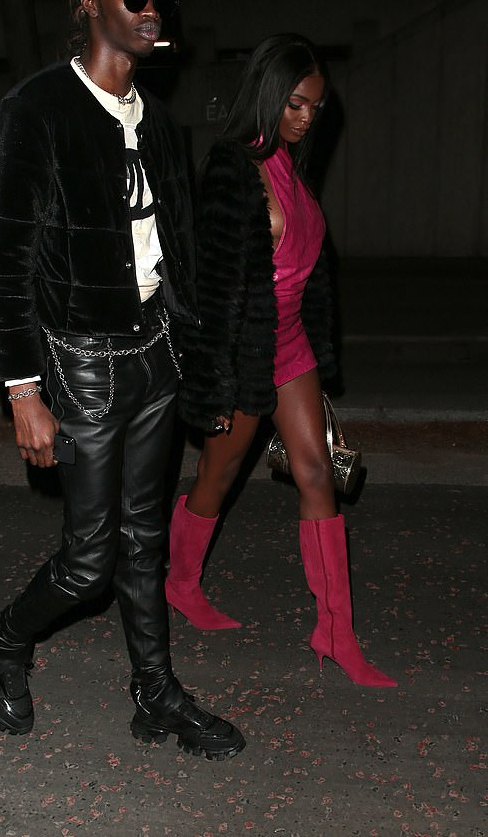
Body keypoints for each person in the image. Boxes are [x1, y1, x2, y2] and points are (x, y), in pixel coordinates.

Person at [0, 0, 245, 759]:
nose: (153, 10)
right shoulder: (37, 109)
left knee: (143, 544)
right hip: (83, 365)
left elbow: (179, 254)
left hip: (157, 355)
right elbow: (3, 260)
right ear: (91, 3)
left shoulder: (158, 121)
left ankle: (155, 693)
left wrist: (202, 360)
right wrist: (23, 390)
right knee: (88, 562)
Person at [167, 34, 397, 688]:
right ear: (268, 95)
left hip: (291, 342)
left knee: (317, 472)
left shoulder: (295, 168)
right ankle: (180, 583)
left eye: (314, 108)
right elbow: (216, 289)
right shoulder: (232, 168)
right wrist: (213, 384)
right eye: (294, 104)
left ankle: (336, 632)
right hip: (246, 348)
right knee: (219, 473)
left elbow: (310, 272)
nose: (304, 118)